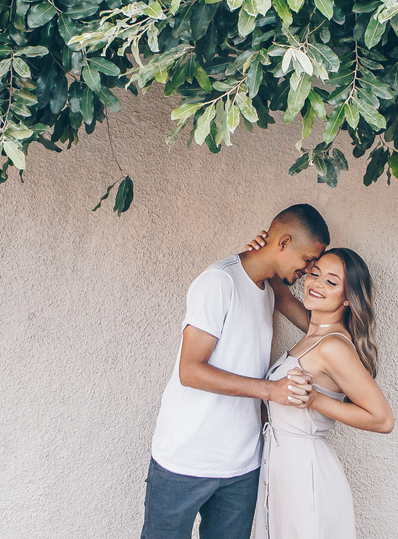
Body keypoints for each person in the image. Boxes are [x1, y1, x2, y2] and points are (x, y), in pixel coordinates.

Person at [140, 204, 330, 539]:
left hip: (243, 464)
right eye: (308, 260)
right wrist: (271, 390)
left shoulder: (273, 289)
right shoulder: (219, 281)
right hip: (185, 458)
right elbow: (191, 371)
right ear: (283, 242)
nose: (309, 270)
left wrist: (344, 334)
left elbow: (314, 329)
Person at [246, 244, 394, 539]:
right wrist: (261, 255)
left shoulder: (333, 346)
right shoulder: (314, 334)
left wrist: (315, 400)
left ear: (349, 298)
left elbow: (382, 419)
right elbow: (283, 296)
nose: (316, 284)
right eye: (314, 274)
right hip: (280, 466)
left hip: (305, 472)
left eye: (331, 281)